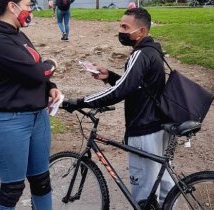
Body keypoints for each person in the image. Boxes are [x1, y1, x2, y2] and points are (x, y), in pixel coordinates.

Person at [63, 8, 174, 206]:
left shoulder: (140, 55)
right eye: (120, 25)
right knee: (164, 189)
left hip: (143, 129)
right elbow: (136, 85)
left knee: (144, 195)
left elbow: (121, 91)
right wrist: (110, 76)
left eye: (125, 27)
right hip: (157, 126)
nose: (120, 30)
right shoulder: (153, 50)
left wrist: (80, 102)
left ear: (141, 32)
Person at [0, 0, 61, 209]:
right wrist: (51, 64)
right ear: (12, 6)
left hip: (37, 117)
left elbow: (29, 70)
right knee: (13, 188)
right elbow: (34, 72)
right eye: (27, 3)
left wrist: (50, 86)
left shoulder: (17, 33)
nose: (31, 8)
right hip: (9, 121)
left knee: (41, 182)